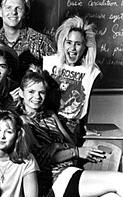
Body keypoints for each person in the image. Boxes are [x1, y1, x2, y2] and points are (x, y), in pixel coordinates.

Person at [17, 68, 123, 197]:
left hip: (69, 171)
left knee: (112, 196)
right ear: (22, 93)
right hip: (53, 180)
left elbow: (71, 144)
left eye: (42, 92)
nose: (37, 97)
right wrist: (75, 152)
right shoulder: (21, 121)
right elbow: (40, 161)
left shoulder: (50, 115)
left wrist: (57, 146)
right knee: (119, 180)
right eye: (31, 92)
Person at [43, 15, 102, 146]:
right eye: (69, 42)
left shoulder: (90, 70)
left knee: (68, 157)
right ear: (63, 43)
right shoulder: (50, 62)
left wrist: (85, 125)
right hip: (47, 122)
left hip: (71, 124)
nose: (72, 48)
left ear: (85, 47)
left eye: (78, 44)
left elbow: (86, 101)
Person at [0, 0, 56, 83]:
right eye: (8, 8)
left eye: (19, 8)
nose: (13, 12)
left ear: (25, 13)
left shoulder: (40, 41)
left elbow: (56, 74)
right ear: (0, 12)